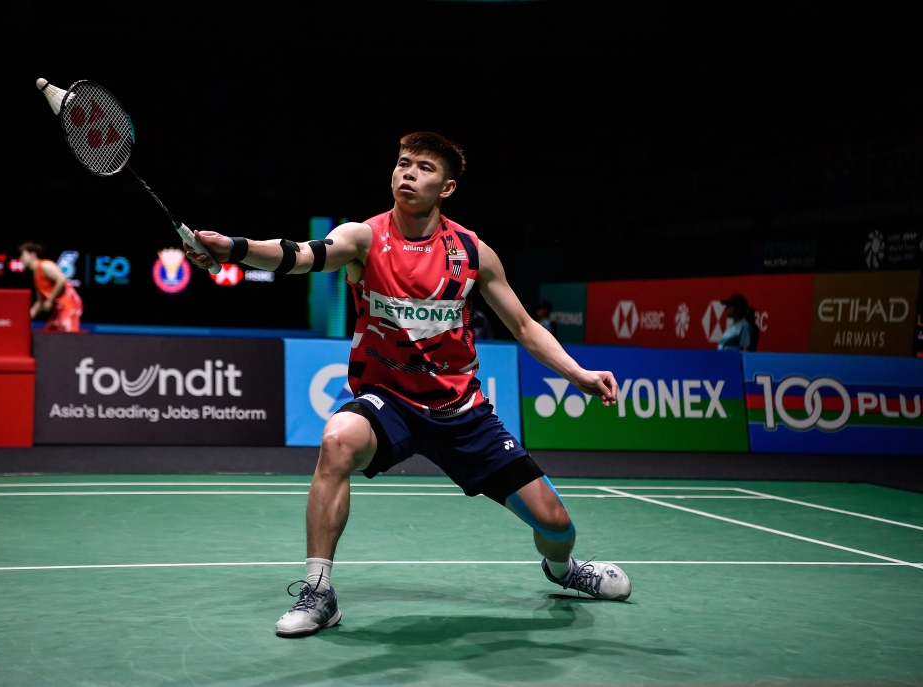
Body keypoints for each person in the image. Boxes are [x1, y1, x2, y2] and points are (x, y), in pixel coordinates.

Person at [183, 132, 631, 638]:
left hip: (461, 411)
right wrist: (234, 249)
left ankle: (565, 570)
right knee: (337, 440)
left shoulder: (472, 252)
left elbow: (525, 327)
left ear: (447, 187)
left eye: (423, 167)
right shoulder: (364, 238)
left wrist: (579, 375)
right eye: (402, 163)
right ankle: (319, 592)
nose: (408, 174)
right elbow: (301, 255)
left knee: (556, 525)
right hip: (389, 401)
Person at [19, 242, 83, 333]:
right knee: (50, 334)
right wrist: (24, 320)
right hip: (57, 308)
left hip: (68, 304)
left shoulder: (45, 265)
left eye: (23, 255)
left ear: (32, 255)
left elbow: (61, 280)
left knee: (69, 335)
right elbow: (40, 302)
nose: (21, 258)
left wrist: (49, 301)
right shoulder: (36, 277)